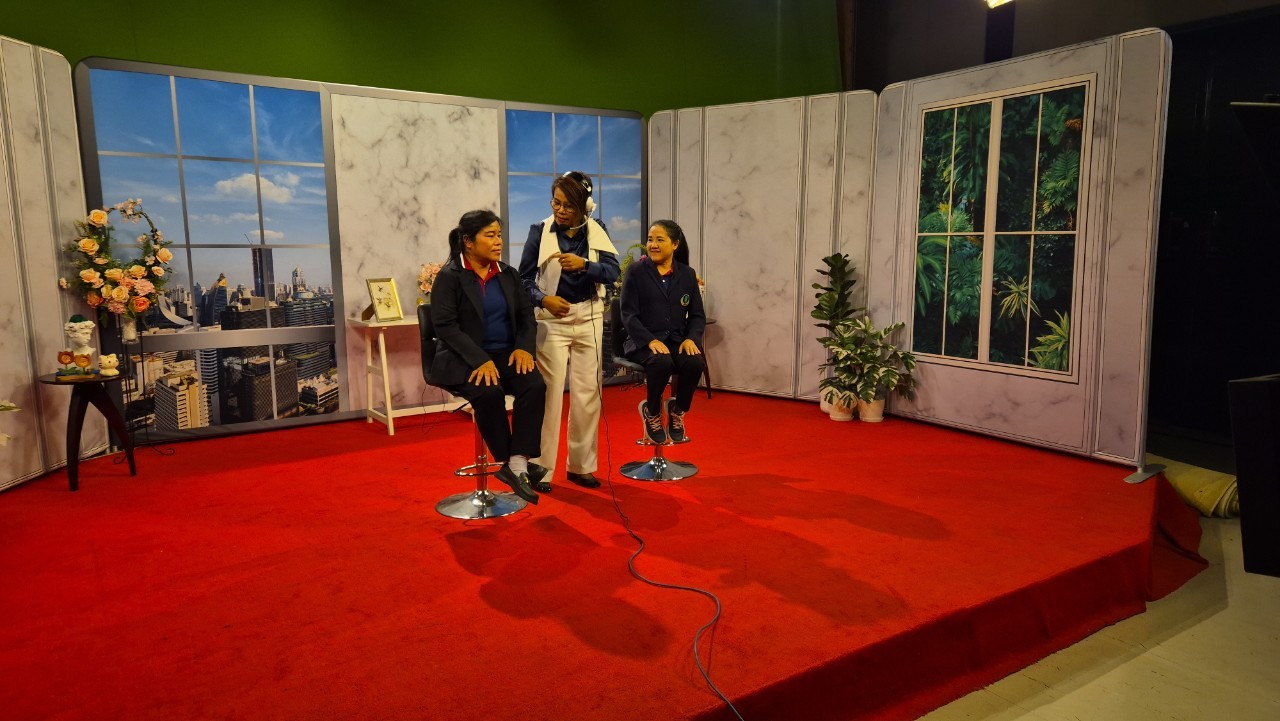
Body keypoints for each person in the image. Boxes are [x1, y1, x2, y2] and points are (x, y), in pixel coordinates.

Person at [428, 210, 546, 505]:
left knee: (534, 385)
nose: (498, 242)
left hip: (506, 354)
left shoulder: (508, 274)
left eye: (499, 235)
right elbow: (445, 327)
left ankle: (516, 463)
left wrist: (524, 348)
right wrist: (479, 360)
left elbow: (526, 317)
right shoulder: (449, 277)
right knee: (489, 392)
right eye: (490, 235)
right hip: (463, 358)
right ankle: (511, 463)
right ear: (468, 241)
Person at [518, 171, 620, 491]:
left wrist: (585, 265)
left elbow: (612, 271)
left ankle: (581, 467)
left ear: (584, 207)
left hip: (589, 316)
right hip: (552, 322)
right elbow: (522, 281)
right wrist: (543, 299)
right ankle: (540, 469)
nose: (560, 210)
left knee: (588, 395)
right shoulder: (539, 231)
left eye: (568, 206)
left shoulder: (596, 230)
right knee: (549, 397)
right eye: (556, 203)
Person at [619, 220, 706, 445]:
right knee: (661, 361)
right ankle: (653, 412)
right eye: (650, 240)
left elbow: (697, 315)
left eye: (660, 240)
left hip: (676, 339)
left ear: (675, 244)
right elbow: (628, 315)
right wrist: (649, 340)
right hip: (641, 340)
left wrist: (692, 338)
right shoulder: (636, 272)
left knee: (695, 362)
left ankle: (678, 410)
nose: (653, 245)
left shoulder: (687, 274)